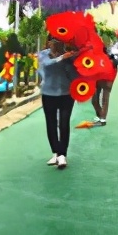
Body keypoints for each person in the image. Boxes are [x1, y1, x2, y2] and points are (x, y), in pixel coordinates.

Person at [37, 38, 76, 169]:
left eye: (59, 40)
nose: (56, 43)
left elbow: (74, 75)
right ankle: (55, 152)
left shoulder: (69, 55)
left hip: (66, 94)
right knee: (51, 123)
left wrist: (72, 60)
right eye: (53, 40)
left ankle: (62, 154)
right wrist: (61, 58)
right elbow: (47, 64)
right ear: (48, 42)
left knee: (64, 123)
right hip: (48, 94)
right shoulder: (43, 54)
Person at [91, 42, 117, 126]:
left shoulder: (111, 60)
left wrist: (110, 83)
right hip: (97, 81)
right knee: (94, 101)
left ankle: (102, 120)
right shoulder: (95, 58)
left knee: (105, 100)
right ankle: (100, 116)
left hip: (106, 82)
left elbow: (114, 71)